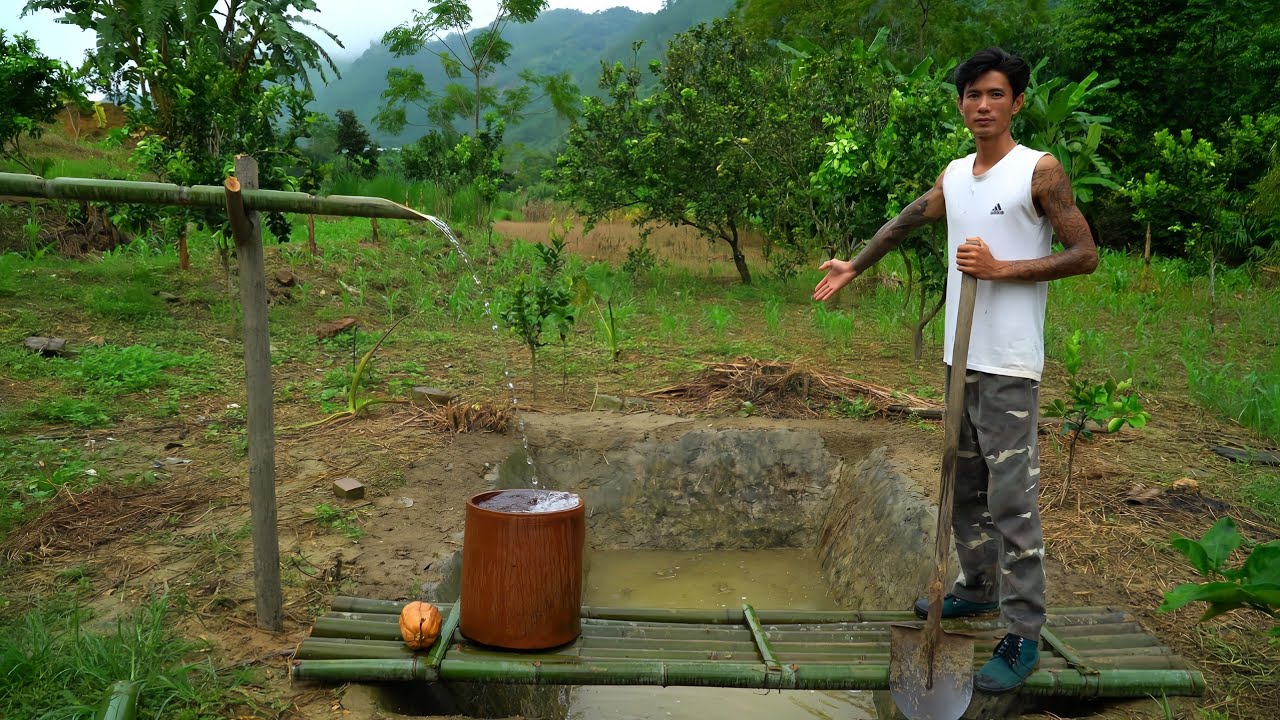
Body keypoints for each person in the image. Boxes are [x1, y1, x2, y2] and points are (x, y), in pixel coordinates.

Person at [812, 47, 1098, 693]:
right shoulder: (956, 174)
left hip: (1009, 366)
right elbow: (910, 219)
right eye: (971, 95)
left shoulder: (1038, 172)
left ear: (1017, 102)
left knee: (1012, 501)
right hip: (959, 357)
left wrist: (1005, 269)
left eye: (995, 94)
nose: (982, 105)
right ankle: (978, 587)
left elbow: (1084, 255)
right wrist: (856, 264)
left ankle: (1022, 633)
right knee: (962, 485)